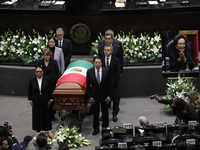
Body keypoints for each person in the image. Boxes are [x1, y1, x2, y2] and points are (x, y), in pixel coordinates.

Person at [86, 56, 111, 135]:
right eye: (96, 62)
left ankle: (105, 128)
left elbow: (110, 84)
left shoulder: (106, 71)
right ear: (94, 63)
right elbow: (88, 85)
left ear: (101, 63)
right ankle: (96, 128)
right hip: (94, 96)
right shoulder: (89, 71)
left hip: (104, 95)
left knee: (105, 113)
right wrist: (90, 97)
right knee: (95, 113)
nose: (97, 64)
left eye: (99, 63)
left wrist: (109, 96)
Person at [37, 48, 59, 121]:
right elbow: (37, 72)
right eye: (44, 55)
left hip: (52, 84)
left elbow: (57, 73)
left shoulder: (54, 62)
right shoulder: (40, 63)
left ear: (50, 55)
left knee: (51, 99)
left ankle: (52, 115)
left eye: (47, 55)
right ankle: (44, 114)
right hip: (43, 84)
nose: (46, 57)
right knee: (43, 98)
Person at [28, 66, 52, 132]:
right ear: (35, 73)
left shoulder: (47, 79)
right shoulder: (32, 80)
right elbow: (30, 90)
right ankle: (38, 130)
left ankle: (46, 129)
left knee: (45, 115)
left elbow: (50, 90)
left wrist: (51, 99)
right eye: (37, 72)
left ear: (43, 72)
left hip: (45, 99)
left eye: (40, 72)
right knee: (37, 115)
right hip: (36, 100)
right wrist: (30, 100)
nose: (39, 73)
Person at [102, 44, 120, 122]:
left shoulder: (116, 60)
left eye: (108, 50)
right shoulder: (101, 59)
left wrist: (112, 82)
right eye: (105, 50)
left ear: (111, 51)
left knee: (115, 100)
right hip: (104, 85)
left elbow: (118, 72)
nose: (106, 52)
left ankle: (114, 114)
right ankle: (104, 115)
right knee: (104, 101)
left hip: (114, 84)